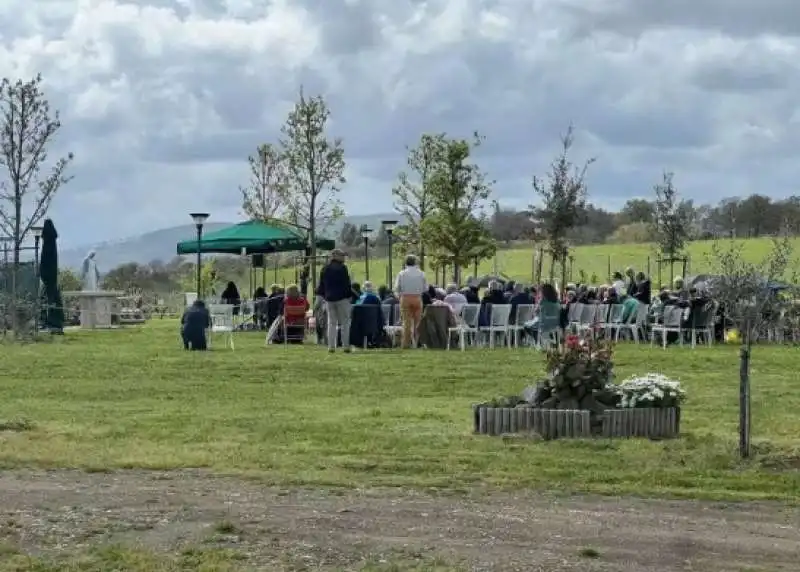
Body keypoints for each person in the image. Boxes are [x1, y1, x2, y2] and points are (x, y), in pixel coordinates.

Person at [320, 249, 353, 353]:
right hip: (342, 298)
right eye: (342, 255)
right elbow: (347, 284)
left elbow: (322, 285)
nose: (343, 258)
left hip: (329, 299)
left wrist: (324, 296)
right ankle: (346, 346)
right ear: (336, 256)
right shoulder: (343, 268)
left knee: (331, 323)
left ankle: (331, 346)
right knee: (345, 323)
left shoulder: (325, 268)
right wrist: (349, 296)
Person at [394, 254, 427, 349]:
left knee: (406, 322)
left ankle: (406, 343)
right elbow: (425, 288)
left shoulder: (402, 273)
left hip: (405, 298)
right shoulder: (421, 273)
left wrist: (399, 295)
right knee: (418, 322)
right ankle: (417, 342)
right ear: (415, 262)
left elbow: (397, 288)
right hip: (417, 298)